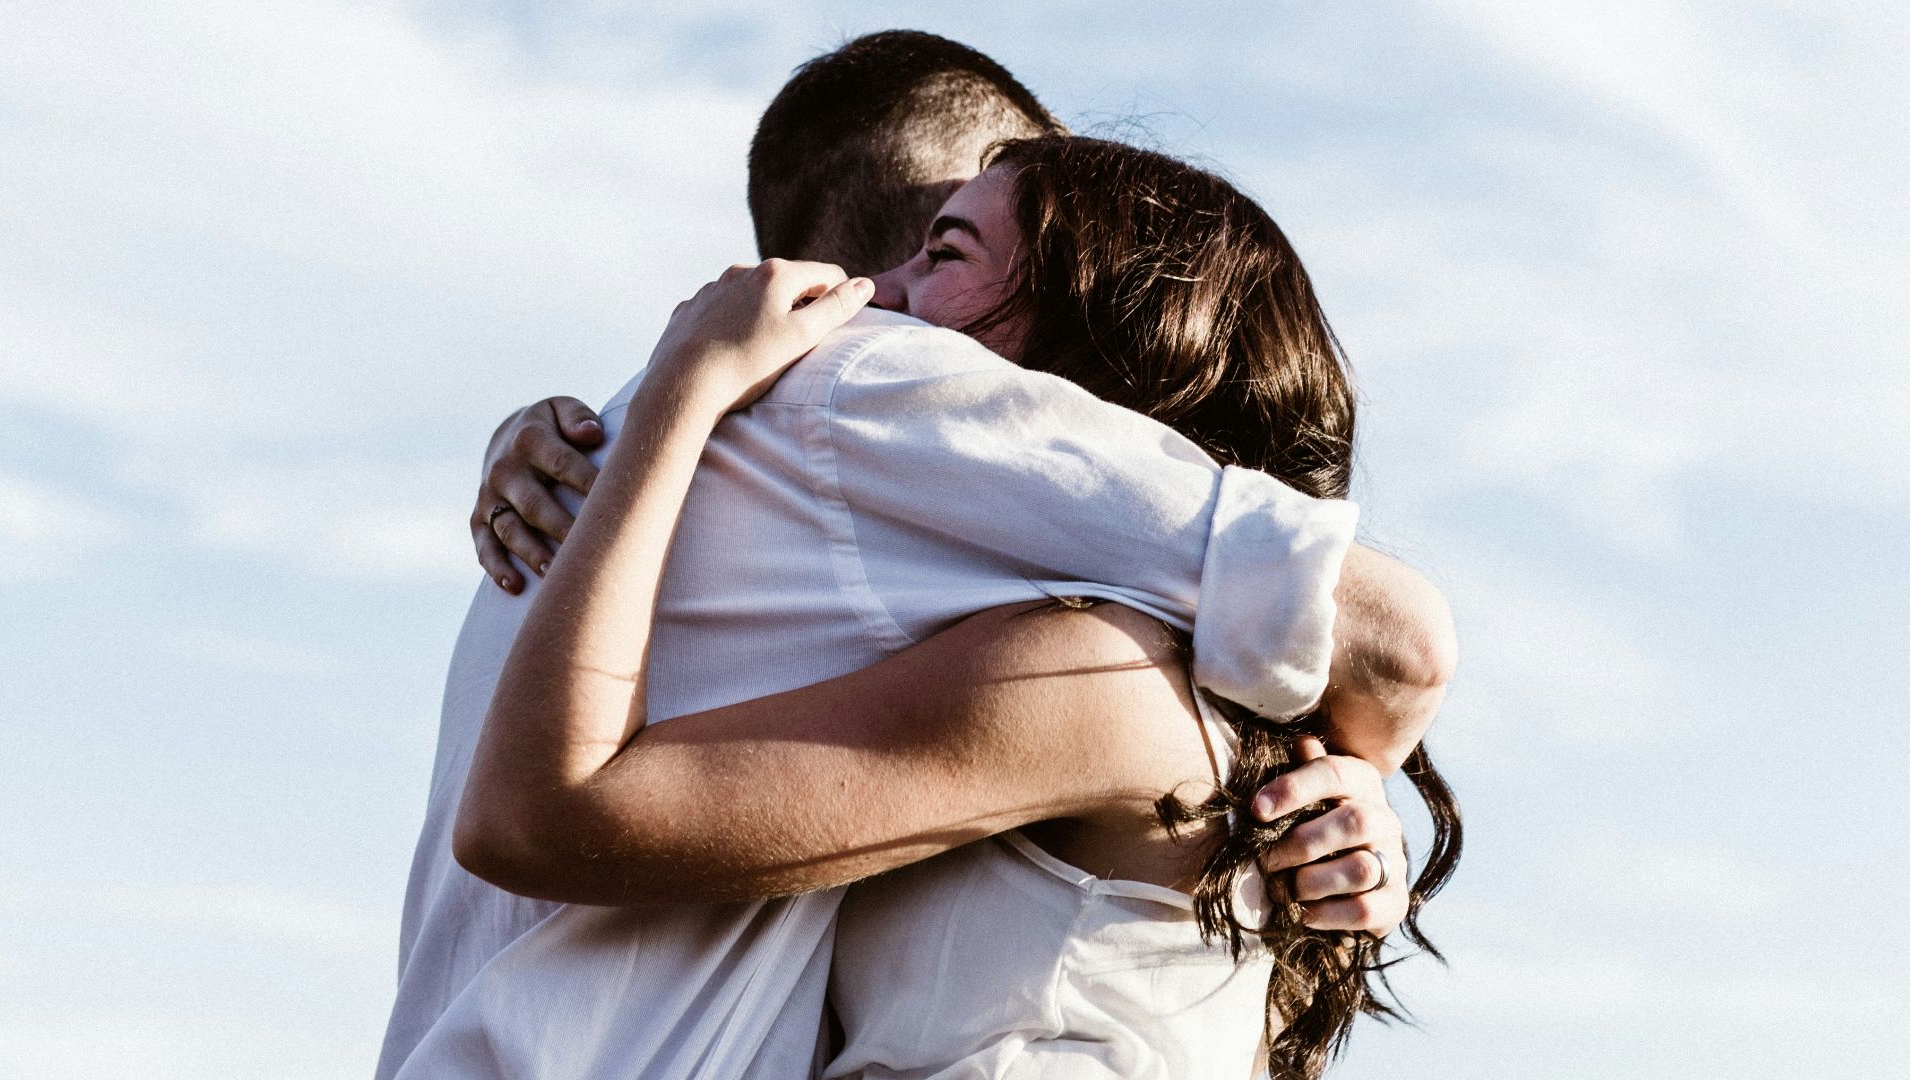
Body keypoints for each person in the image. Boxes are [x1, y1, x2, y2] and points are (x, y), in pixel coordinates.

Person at [380, 32, 1448, 1080]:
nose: (872, 302)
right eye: (932, 240)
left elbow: (1390, 644)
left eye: (942, 254)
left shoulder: (1099, 673)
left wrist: (1349, 773)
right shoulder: (862, 407)